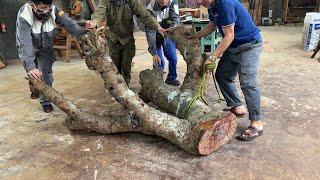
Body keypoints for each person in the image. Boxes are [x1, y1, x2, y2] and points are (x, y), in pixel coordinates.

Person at [191, 0, 263, 141]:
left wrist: (213, 57)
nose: (200, 3)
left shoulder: (226, 3)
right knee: (222, 75)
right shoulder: (212, 6)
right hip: (234, 46)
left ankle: (257, 123)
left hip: (249, 45)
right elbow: (212, 26)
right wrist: (195, 36)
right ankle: (237, 106)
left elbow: (229, 35)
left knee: (248, 83)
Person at [16, 0, 86, 112]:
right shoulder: (25, 15)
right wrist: (30, 66)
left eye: (49, 6)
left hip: (46, 48)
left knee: (46, 74)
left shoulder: (54, 10)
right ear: (33, 5)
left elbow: (69, 23)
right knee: (32, 72)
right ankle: (34, 87)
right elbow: (25, 43)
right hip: (29, 47)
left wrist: (84, 36)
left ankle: (46, 101)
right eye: (44, 7)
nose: (48, 9)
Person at [85, 0, 167, 85]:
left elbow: (145, 15)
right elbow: (99, 13)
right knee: (114, 66)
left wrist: (158, 27)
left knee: (126, 66)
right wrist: (93, 22)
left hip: (127, 39)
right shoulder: (106, 1)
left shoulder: (132, 2)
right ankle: (116, 88)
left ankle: (126, 88)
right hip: (112, 38)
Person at [145, 0, 181, 86]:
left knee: (173, 57)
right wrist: (154, 53)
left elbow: (176, 20)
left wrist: (171, 31)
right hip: (155, 34)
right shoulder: (150, 9)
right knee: (158, 61)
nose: (163, 0)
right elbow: (150, 33)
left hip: (168, 33)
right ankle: (158, 81)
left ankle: (171, 78)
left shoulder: (173, 2)